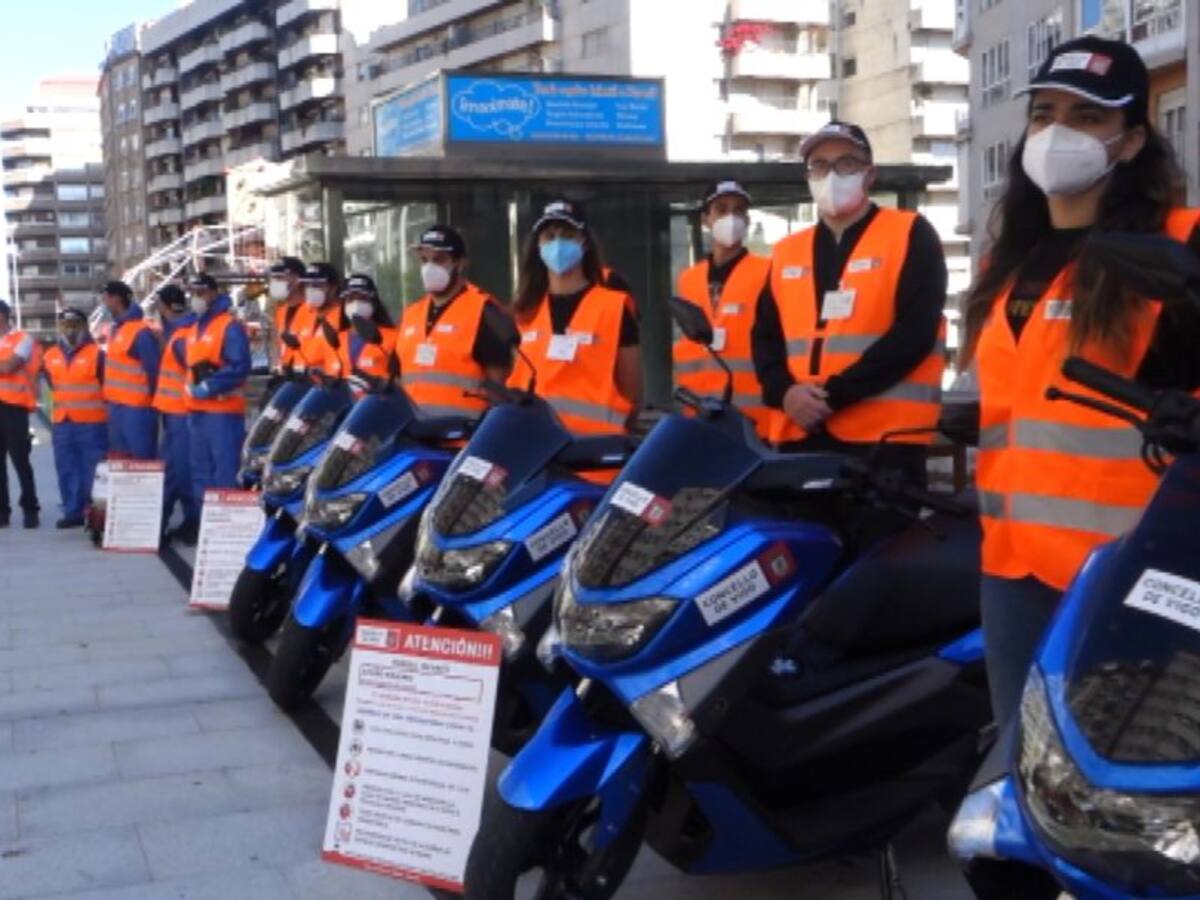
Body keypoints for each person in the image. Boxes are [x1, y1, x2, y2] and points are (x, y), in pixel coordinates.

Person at [959, 36, 1200, 729]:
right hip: (1012, 568)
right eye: (1045, 113)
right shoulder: (1009, 265)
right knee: (1025, 761)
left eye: (1087, 117)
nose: (1058, 132)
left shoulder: (1183, 245)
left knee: (1113, 785)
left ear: (1129, 141)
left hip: (1131, 572)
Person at [752, 121, 947, 485]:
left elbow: (915, 333)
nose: (831, 175)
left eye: (845, 164)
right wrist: (786, 393)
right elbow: (765, 339)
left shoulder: (909, 233)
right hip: (799, 439)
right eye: (820, 166)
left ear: (869, 174)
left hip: (883, 445)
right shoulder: (787, 251)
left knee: (883, 544)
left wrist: (832, 397)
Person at [510, 199, 641, 456]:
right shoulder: (525, 311)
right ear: (538, 244)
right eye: (549, 235)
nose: (557, 243)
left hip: (595, 458)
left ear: (584, 241)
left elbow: (632, 393)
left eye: (567, 234)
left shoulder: (614, 308)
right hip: (537, 455)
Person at [674, 180, 773, 435]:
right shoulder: (689, 279)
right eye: (722, 209)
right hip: (700, 413)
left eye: (739, 210)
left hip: (754, 417)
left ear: (748, 221)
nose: (731, 217)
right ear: (706, 219)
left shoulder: (768, 272)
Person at [397, 225, 513, 416]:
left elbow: (499, 384)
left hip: (463, 437)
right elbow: (400, 377)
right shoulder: (411, 314)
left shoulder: (483, 311)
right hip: (415, 434)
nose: (429, 267)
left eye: (439, 259)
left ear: (460, 264)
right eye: (424, 260)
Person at [185, 273, 251, 512]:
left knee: (225, 471)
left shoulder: (228, 326)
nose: (196, 298)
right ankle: (206, 526)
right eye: (193, 293)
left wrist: (210, 386)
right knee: (200, 471)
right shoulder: (194, 327)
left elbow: (240, 366)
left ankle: (228, 525)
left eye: (201, 293)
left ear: (213, 293)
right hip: (198, 410)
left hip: (223, 412)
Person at [40, 308, 106, 529]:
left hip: (92, 423)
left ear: (84, 326)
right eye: (65, 325)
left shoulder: (97, 354)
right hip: (63, 422)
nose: (70, 330)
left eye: (75, 324)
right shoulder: (50, 356)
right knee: (66, 468)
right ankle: (72, 512)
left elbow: (107, 387)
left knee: (92, 470)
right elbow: (52, 385)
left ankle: (94, 511)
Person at [153, 284, 200, 545]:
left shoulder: (181, 333)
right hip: (173, 412)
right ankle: (166, 521)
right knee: (171, 470)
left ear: (166, 306)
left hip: (182, 412)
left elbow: (192, 369)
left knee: (183, 471)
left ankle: (193, 521)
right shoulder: (176, 331)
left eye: (159, 305)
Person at [100, 280, 160, 459]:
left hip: (137, 410)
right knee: (120, 464)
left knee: (142, 465)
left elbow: (153, 370)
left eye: (106, 298)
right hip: (118, 408)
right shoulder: (117, 329)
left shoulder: (139, 332)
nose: (104, 303)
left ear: (116, 299)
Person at [0, 299, 42, 528]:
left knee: (20, 461)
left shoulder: (22, 339)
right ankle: (2, 513)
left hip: (14, 408)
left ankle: (30, 509)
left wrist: (5, 365)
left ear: (4, 316)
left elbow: (9, 367)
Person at [325, 273, 398, 396]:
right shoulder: (336, 339)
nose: (356, 303)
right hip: (345, 409)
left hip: (376, 406)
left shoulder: (393, 337)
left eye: (362, 298)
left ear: (373, 302)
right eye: (350, 299)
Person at [266, 256, 310, 376]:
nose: (275, 282)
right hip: (288, 375)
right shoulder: (280, 312)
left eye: (280, 277)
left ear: (297, 279)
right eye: (273, 278)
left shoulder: (312, 311)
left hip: (308, 377)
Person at [298, 262, 345, 371]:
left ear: (333, 287)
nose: (310, 290)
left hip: (334, 381)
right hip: (306, 377)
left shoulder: (344, 316)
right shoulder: (308, 314)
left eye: (316, 285)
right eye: (307, 285)